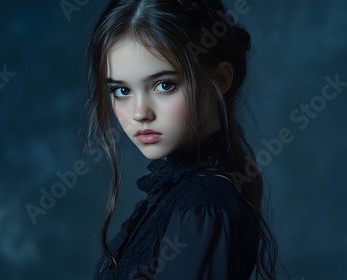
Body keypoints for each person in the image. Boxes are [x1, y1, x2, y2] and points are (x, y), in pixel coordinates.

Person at [84, 0, 278, 279]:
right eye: (122, 90)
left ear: (220, 80)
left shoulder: (203, 208)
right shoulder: (174, 193)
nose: (140, 112)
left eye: (165, 85)